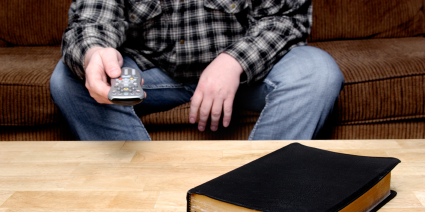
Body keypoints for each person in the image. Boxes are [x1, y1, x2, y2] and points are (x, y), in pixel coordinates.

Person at [50, 0, 344, 141]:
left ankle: (258, 188)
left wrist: (235, 61)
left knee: (318, 72)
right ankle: (141, 186)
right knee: (68, 78)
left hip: (247, 75)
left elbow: (286, 17)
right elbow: (92, 21)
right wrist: (94, 53)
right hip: (156, 74)